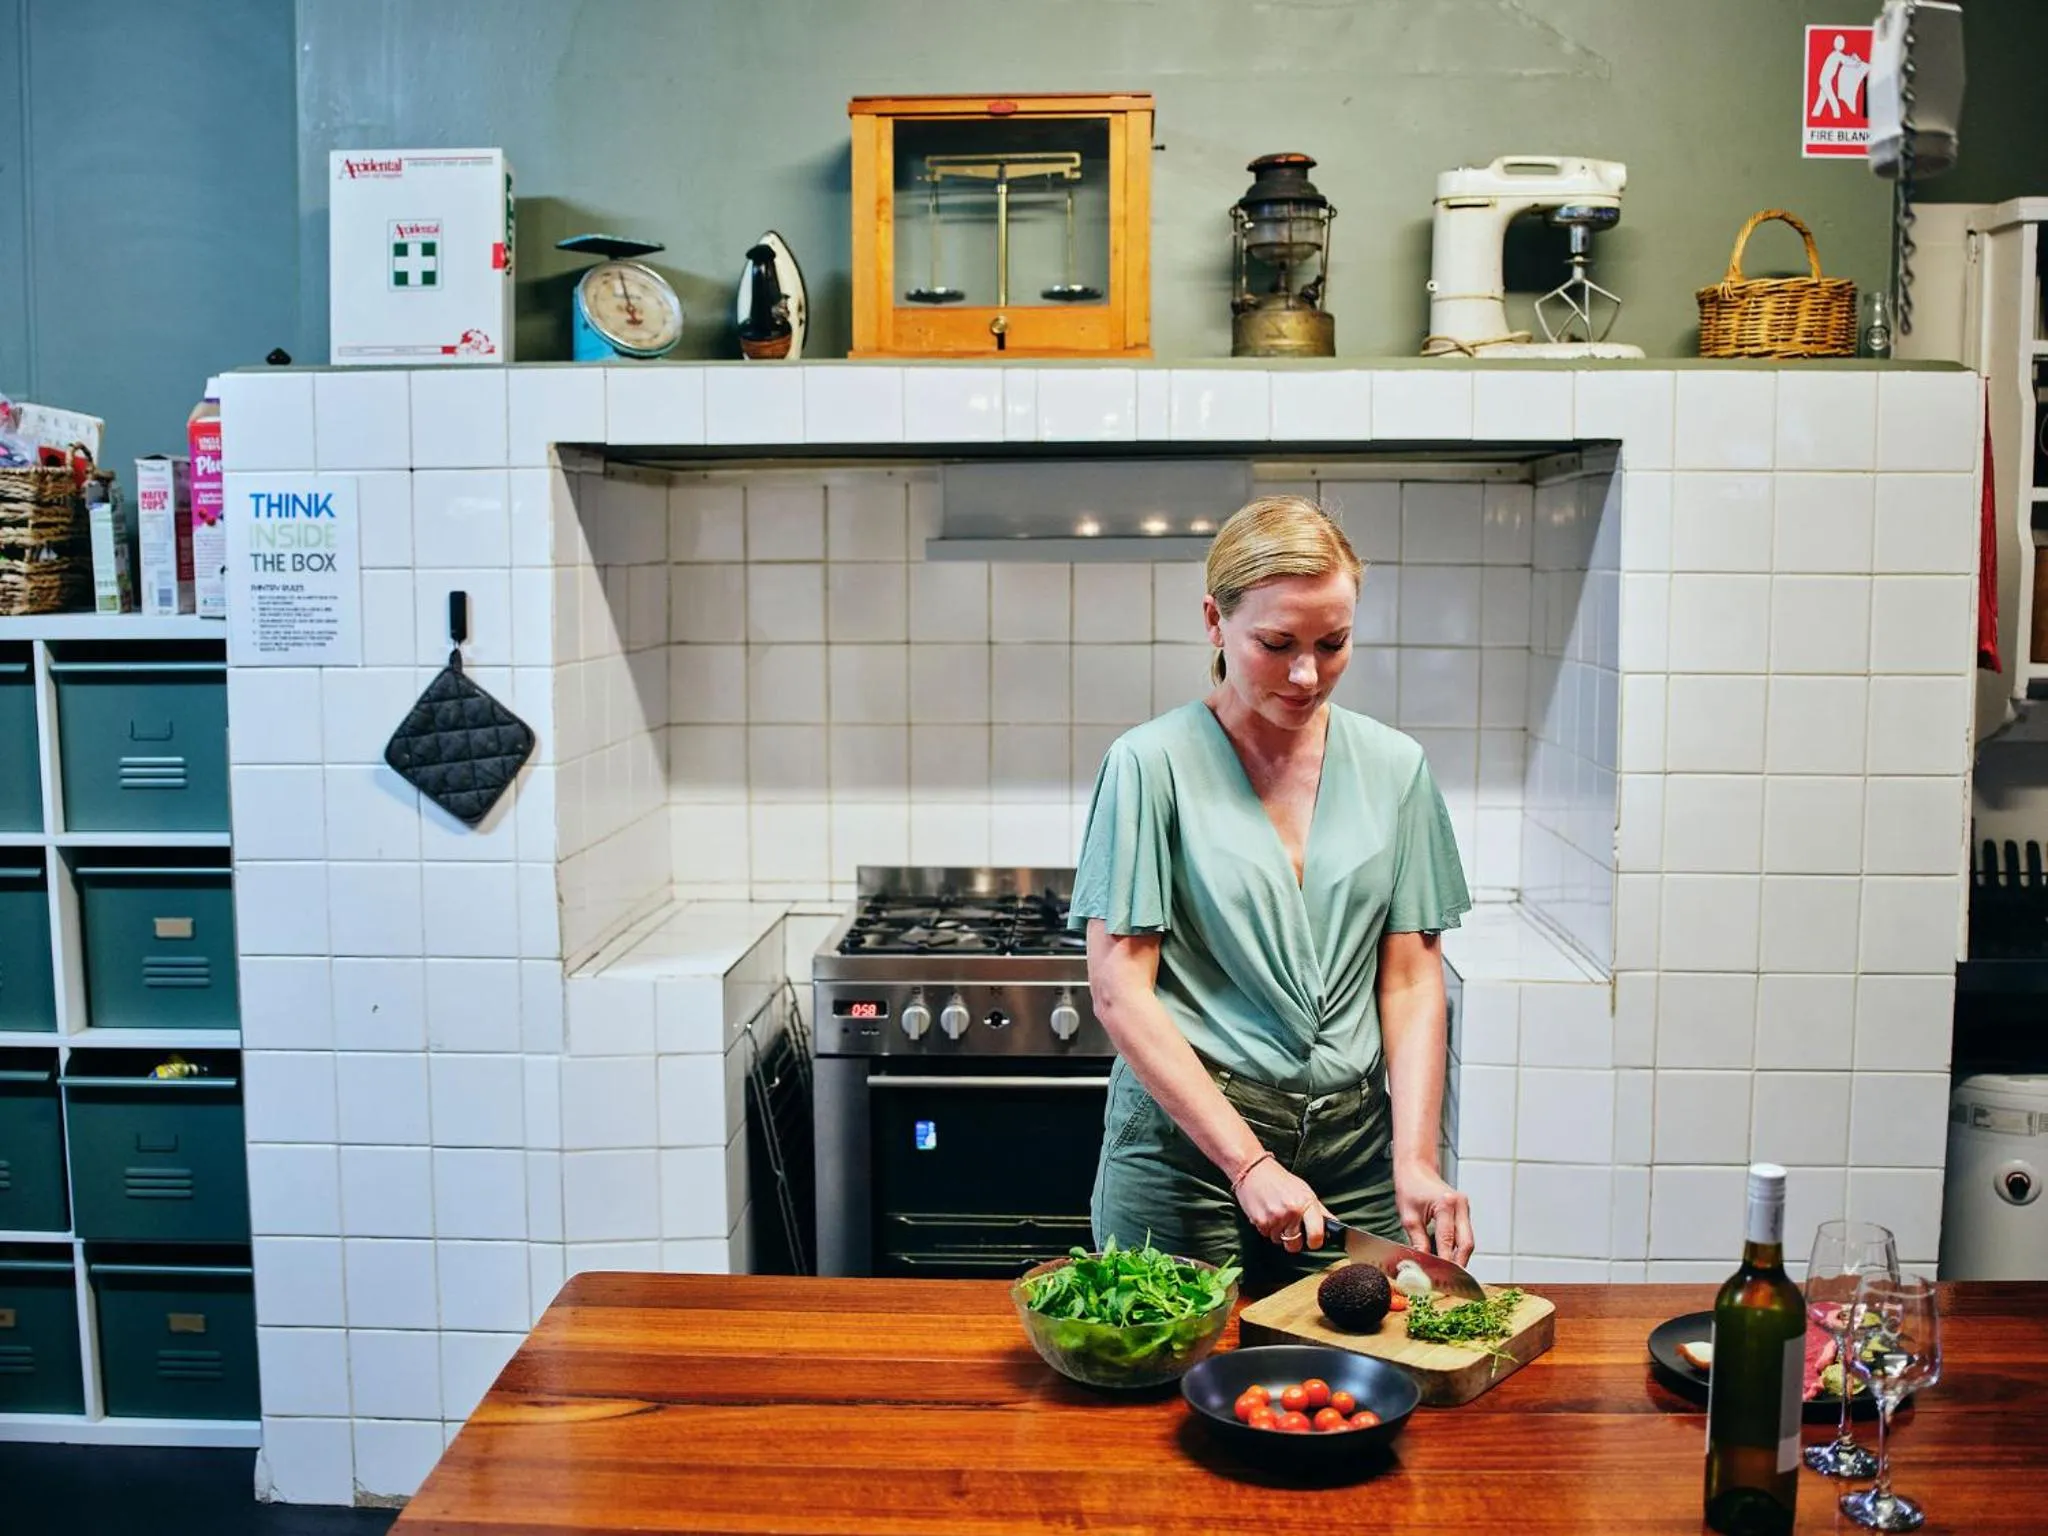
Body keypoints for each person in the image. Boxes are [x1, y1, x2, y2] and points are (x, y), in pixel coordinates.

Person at [1069, 494, 1474, 1292]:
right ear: (1215, 623)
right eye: (1276, 643)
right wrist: (1247, 1161)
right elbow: (1120, 990)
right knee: (1169, 1382)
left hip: (1351, 1152)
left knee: (1353, 1382)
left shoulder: (1396, 771)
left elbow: (1411, 978)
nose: (1306, 674)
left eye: (1333, 644)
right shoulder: (1149, 767)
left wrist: (1416, 1159)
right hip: (1183, 1153)